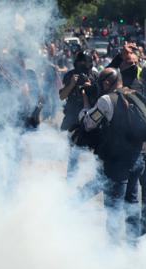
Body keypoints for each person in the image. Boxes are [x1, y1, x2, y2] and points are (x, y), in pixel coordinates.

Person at [78, 68, 146, 243]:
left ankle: (113, 250)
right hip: (139, 156)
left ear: (107, 83)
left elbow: (88, 123)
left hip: (118, 161)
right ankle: (134, 246)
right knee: (132, 204)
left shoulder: (106, 100)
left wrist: (85, 104)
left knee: (114, 207)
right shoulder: (136, 94)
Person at [60, 50, 98, 181]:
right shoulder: (70, 75)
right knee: (74, 151)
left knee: (95, 150)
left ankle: (96, 177)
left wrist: (91, 87)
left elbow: (100, 97)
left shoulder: (95, 75)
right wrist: (71, 84)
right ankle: (71, 178)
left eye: (85, 62)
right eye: (81, 62)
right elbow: (62, 96)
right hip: (73, 119)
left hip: (90, 118)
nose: (83, 65)